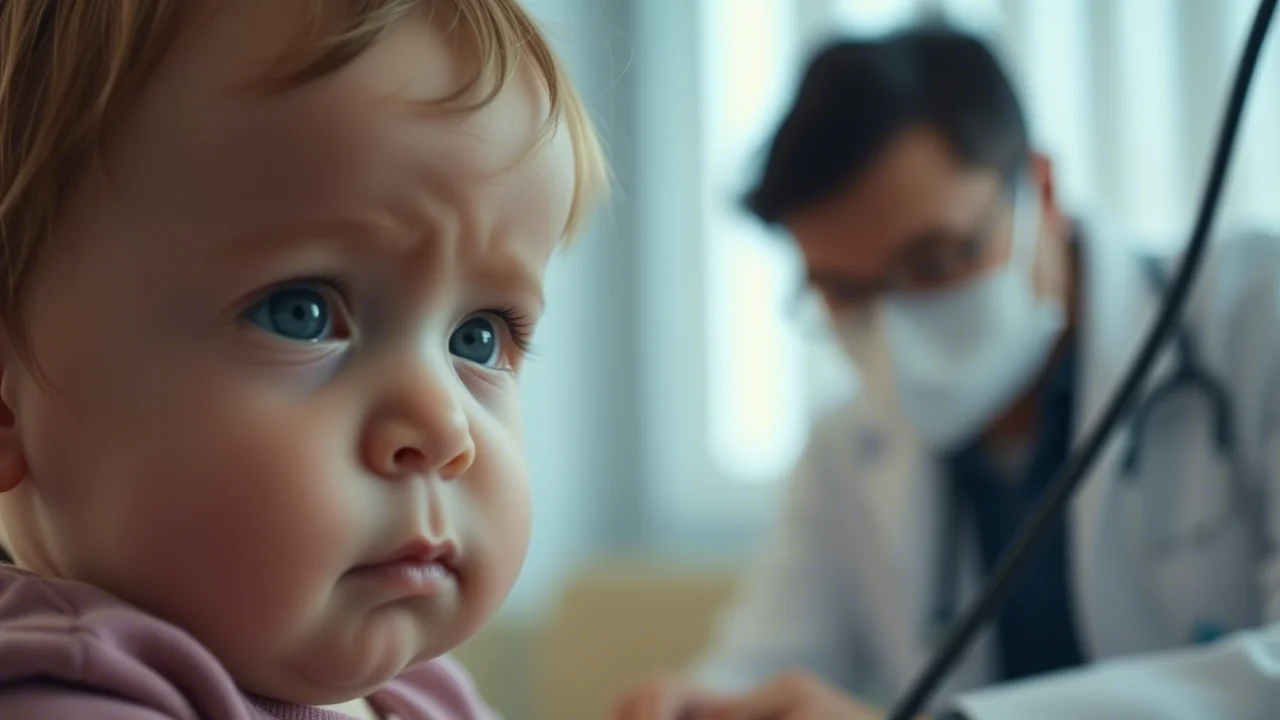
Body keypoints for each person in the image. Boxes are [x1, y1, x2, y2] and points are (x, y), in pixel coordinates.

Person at [614, 24, 1280, 720]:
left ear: (1042, 191)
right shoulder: (846, 447)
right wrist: (703, 705)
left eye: (934, 262)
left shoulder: (1255, 312)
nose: (896, 328)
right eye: (844, 291)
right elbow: (767, 662)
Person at [0, 1, 606, 718]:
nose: (445, 427)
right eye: (301, 314)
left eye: (477, 337)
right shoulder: (65, 691)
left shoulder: (424, 698)